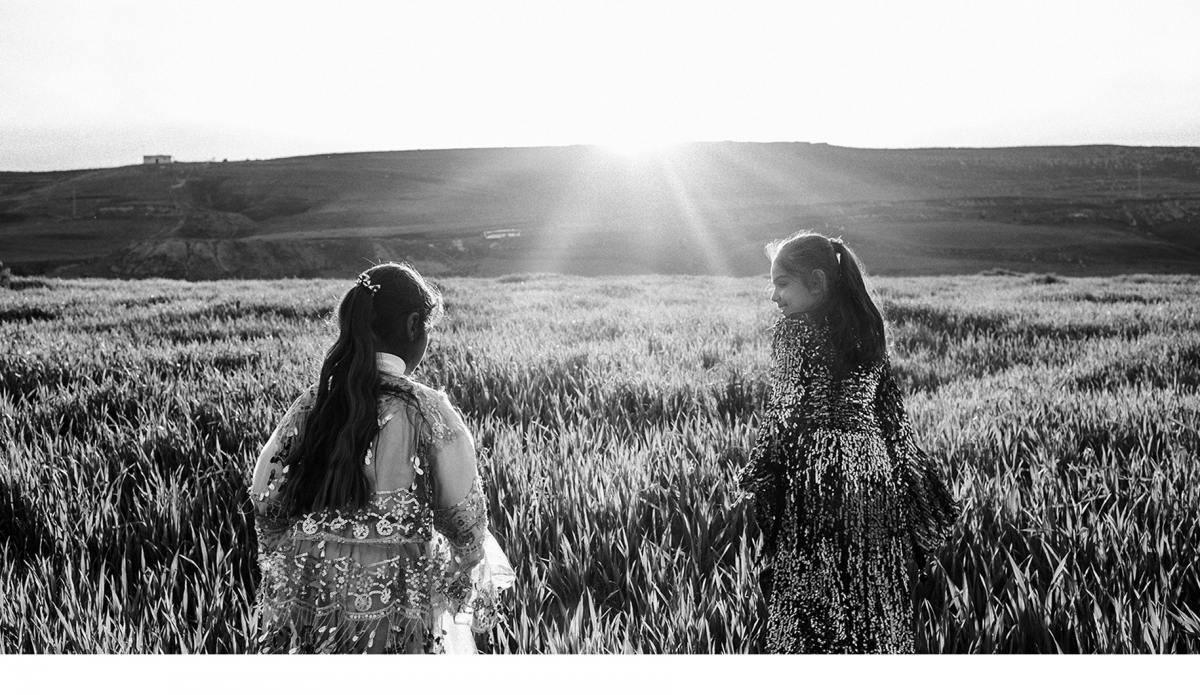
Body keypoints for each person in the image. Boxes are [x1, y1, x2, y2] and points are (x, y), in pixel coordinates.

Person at [248, 262, 514, 654]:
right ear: (413, 325)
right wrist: (467, 557)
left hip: (314, 582)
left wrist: (281, 543)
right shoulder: (427, 410)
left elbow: (266, 491)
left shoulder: (314, 403)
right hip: (394, 590)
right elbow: (463, 514)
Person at [736, 231, 958, 654]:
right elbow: (891, 418)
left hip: (818, 470)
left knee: (811, 587)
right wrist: (912, 488)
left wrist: (763, 477)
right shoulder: (867, 330)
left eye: (782, 283)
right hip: (873, 471)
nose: (773, 295)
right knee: (867, 585)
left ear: (817, 282)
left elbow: (782, 416)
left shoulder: (792, 334)